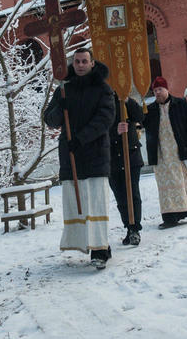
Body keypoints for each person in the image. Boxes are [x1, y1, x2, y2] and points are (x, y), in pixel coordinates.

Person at [44, 48, 115, 269]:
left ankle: (100, 250)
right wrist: (59, 109)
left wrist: (81, 138)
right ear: (72, 64)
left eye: (85, 61)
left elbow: (105, 118)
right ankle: (88, 243)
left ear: (93, 63)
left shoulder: (103, 88)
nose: (81, 65)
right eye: (77, 61)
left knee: (95, 202)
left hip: (94, 153)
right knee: (78, 203)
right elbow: (50, 119)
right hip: (70, 155)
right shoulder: (64, 89)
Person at [143, 76, 187, 229]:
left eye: (160, 89)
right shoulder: (150, 109)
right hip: (161, 153)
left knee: (184, 182)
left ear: (166, 89)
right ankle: (170, 218)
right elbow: (140, 123)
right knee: (165, 187)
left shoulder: (180, 103)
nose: (158, 93)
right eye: (155, 91)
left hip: (179, 150)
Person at [110, 94, 145, 246]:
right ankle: (128, 226)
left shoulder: (124, 97)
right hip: (111, 156)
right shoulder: (100, 97)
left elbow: (139, 116)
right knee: (120, 195)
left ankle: (134, 228)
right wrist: (114, 132)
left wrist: (128, 100)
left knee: (132, 192)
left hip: (130, 153)